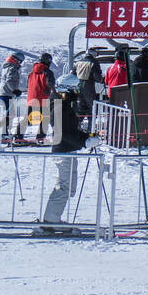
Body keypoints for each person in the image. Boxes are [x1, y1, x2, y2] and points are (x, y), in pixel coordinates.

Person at [40, 78, 93, 233]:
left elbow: (70, 130)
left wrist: (87, 137)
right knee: (64, 187)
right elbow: (62, 132)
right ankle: (50, 220)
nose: (77, 94)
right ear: (66, 90)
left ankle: (53, 218)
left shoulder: (62, 105)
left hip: (68, 150)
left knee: (69, 187)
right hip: (63, 151)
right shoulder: (58, 107)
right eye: (75, 91)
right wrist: (85, 142)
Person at [26, 53, 55, 142]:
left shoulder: (31, 73)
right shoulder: (47, 72)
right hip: (42, 98)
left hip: (31, 98)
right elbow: (50, 84)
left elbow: (28, 84)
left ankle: (17, 136)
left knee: (28, 119)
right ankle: (40, 137)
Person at [0, 51, 25, 141]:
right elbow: (9, 81)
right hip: (7, 93)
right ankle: (2, 133)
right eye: (20, 61)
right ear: (16, 60)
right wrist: (15, 90)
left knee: (4, 113)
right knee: (7, 114)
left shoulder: (7, 67)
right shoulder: (12, 68)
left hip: (4, 92)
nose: (20, 63)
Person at [73, 51, 103, 124]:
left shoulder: (77, 63)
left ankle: (78, 126)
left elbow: (73, 75)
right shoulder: (93, 63)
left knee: (80, 108)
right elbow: (97, 77)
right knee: (92, 107)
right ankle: (90, 128)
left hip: (78, 86)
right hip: (88, 86)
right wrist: (102, 80)